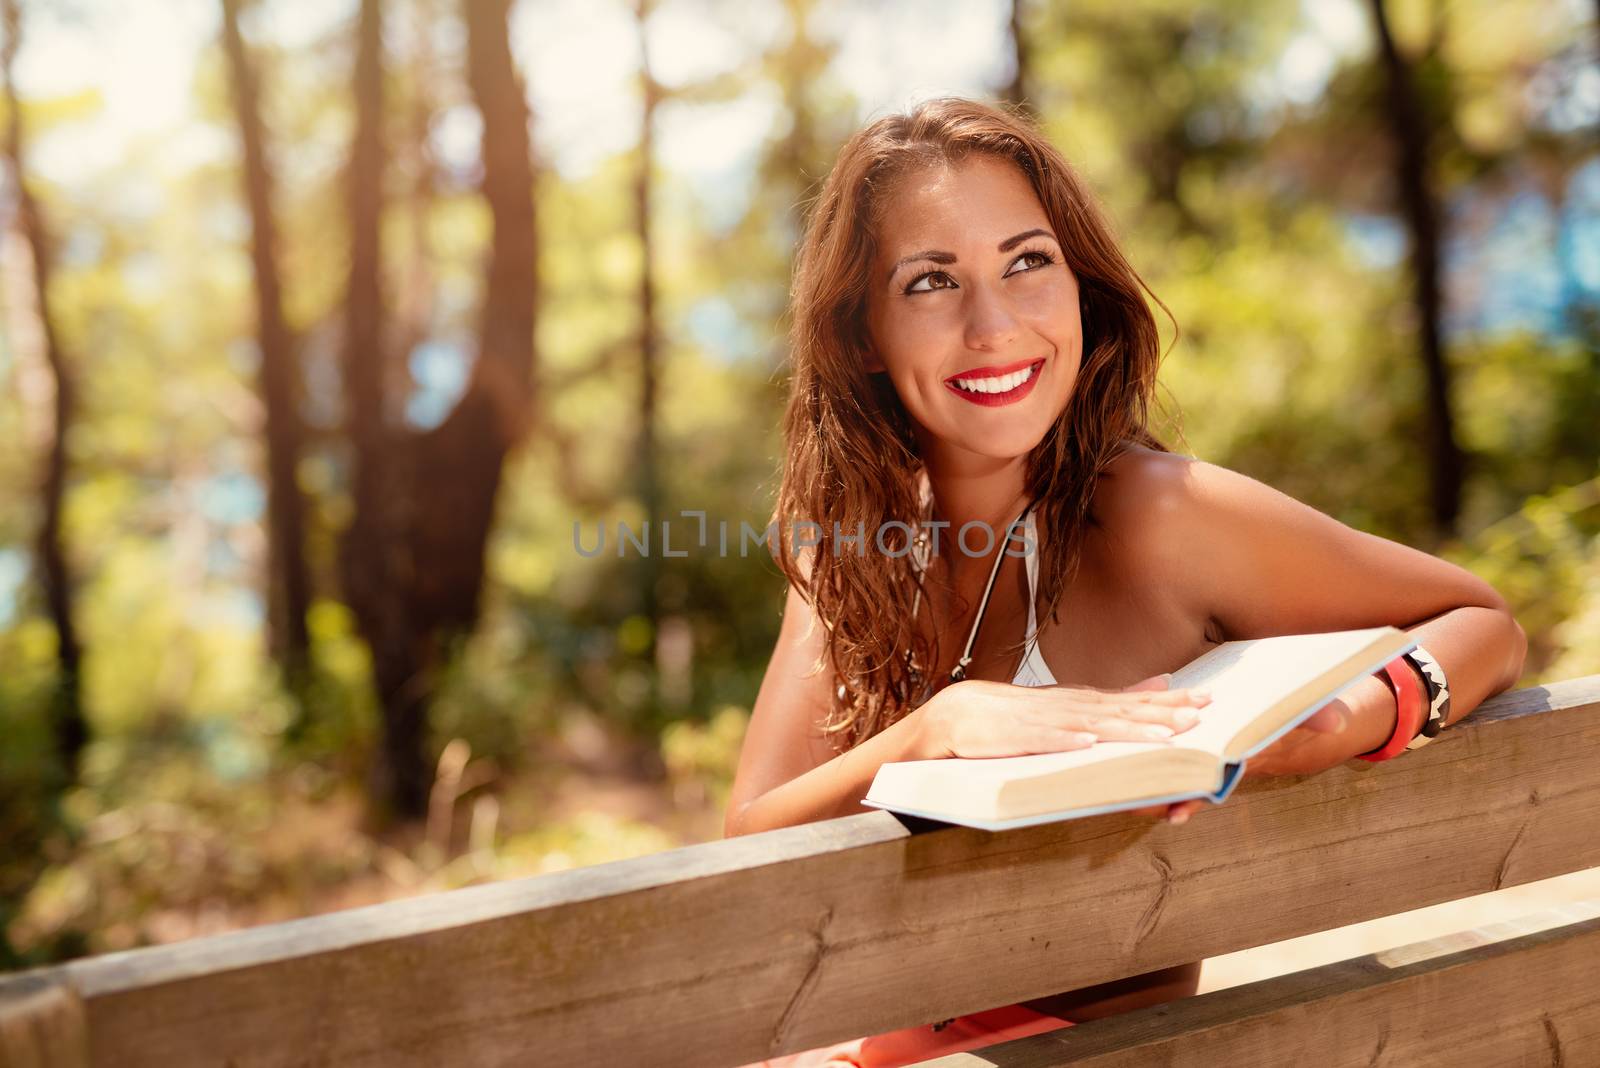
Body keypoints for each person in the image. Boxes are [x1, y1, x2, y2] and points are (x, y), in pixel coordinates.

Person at [722, 97, 1527, 1067]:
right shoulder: (852, 553)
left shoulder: (1155, 517)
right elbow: (746, 846)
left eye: (1027, 261)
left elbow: (1481, 619)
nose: (993, 324)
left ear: (1080, 287)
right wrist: (934, 731)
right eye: (931, 281)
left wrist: (1356, 718)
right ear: (861, 335)